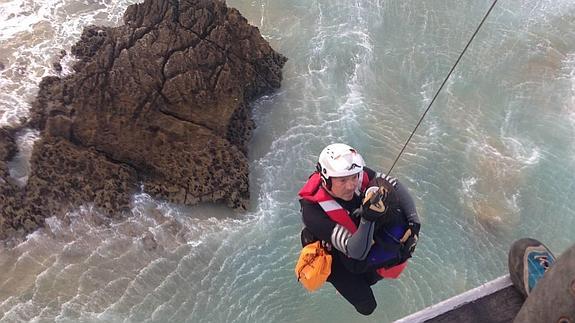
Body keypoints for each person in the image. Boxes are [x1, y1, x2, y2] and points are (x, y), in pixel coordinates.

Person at [297, 143, 421, 315]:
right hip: (336, 249)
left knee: (397, 230)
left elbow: (395, 184)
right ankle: (340, 283)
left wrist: (414, 223)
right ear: (326, 179)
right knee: (367, 306)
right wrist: (368, 218)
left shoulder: (356, 174)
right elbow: (355, 251)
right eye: (342, 181)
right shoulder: (313, 213)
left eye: (354, 177)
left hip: (356, 225)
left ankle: (369, 273)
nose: (351, 186)